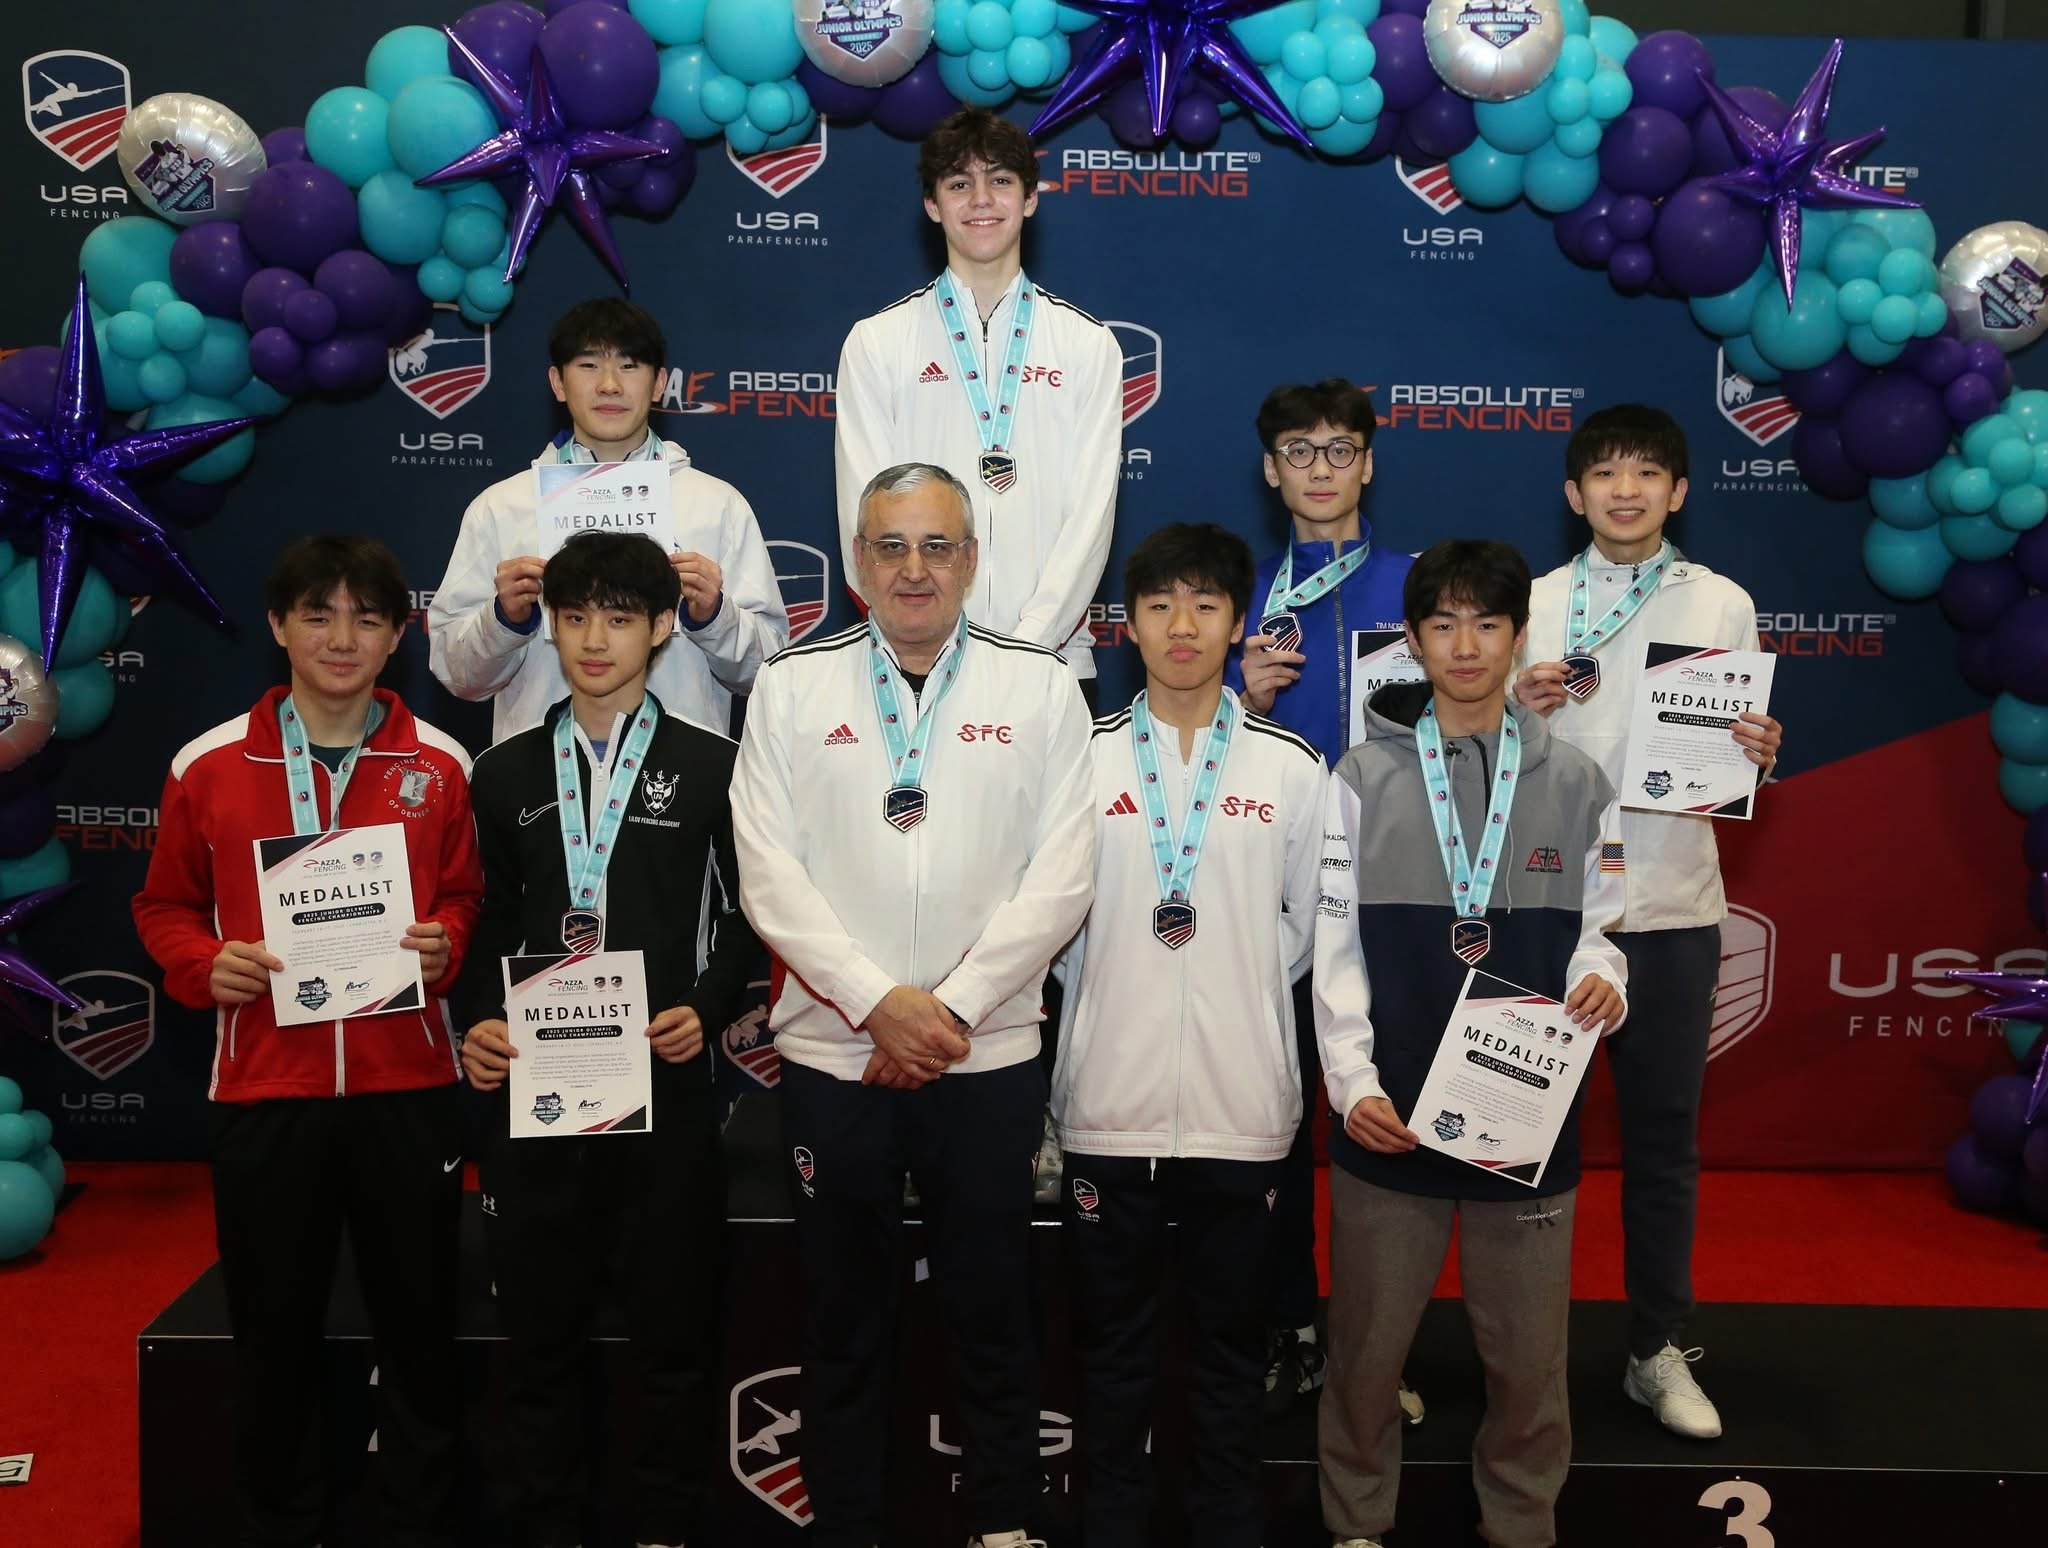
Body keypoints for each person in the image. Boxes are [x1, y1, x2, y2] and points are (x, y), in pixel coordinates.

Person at [732, 461, 1095, 1548]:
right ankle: (846, 1523)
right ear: (855, 562)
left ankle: (999, 1524)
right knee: (843, 1317)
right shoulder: (793, 685)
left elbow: (1062, 876)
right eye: (890, 546)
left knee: (992, 1310)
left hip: (981, 1061)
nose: (913, 568)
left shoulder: (1039, 688)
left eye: (937, 546)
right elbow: (767, 874)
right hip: (834, 1059)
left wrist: (950, 1012)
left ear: (972, 560)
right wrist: (875, 1003)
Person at [133, 536, 483, 1548]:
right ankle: (282, 1522)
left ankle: (416, 1523)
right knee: (273, 1334)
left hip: (405, 1086)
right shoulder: (208, 766)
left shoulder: (439, 764)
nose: (341, 637)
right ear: (280, 625)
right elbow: (164, 907)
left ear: (396, 636)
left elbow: (464, 899)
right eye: (318, 614)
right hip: (266, 1091)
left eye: (366, 618)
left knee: (418, 1329)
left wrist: (442, 946)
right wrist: (207, 965)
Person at [1316, 539, 1627, 1548]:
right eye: (1441, 624)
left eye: (1485, 623)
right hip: (1388, 1115)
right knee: (1365, 1353)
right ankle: (1357, 1521)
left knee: (1528, 1359)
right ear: (1410, 641)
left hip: (1521, 1117)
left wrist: (1603, 982)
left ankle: (1521, 1523)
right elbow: (1332, 948)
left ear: (1515, 635)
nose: (1463, 645)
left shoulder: (1578, 779)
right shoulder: (1356, 776)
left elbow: (1603, 931)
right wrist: (1350, 1080)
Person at [455, 530, 756, 1548]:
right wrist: (479, 1023)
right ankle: (550, 1520)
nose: (593, 638)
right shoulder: (500, 773)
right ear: (551, 624)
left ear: (663, 627)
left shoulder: (715, 765)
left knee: (673, 1331)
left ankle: (667, 1522)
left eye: (619, 617)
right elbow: (486, 919)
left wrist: (707, 1011)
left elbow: (755, 920)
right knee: (541, 1333)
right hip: (538, 1092)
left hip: (663, 1086)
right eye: (575, 615)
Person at [1512, 404, 1783, 1440]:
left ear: (1676, 491)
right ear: (1573, 494)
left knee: (1663, 1141)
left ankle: (1652, 1348)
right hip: (1548, 908)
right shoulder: (1530, 604)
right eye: (1603, 473)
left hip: (1670, 910)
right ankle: (1522, 1348)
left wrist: (1755, 748)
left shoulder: (1720, 603)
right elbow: (1471, 758)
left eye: (1645, 473)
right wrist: (1508, 710)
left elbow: (1733, 755)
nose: (1623, 490)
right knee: (1527, 1141)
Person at [1051, 523, 1324, 1548]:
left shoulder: (1293, 771)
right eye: (1160, 604)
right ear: (1127, 624)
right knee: (1109, 1359)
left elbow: (1300, 937)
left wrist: (1233, 1000)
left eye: (1205, 605)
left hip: (1239, 1118)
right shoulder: (1075, 765)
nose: (1181, 625)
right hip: (1106, 1115)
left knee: (1226, 1358)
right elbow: (1056, 936)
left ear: (1237, 623)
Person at [1223, 378, 1415, 1412]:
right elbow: (1185, 743)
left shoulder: (1422, 588)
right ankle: (1289, 1317)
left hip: (1405, 895)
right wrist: (1234, 694)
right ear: (1269, 469)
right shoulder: (1237, 598)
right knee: (1283, 1121)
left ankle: (1380, 1346)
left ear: (1367, 462)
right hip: (1276, 900)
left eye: (1338, 450)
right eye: (1298, 451)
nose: (1319, 469)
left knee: (1394, 1122)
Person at [833, 106, 1122, 695]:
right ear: (933, 206)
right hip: (914, 663)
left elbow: (1092, 515)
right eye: (959, 184)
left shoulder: (1088, 344)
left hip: (1054, 667)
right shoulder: (878, 341)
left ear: (1031, 199)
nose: (981, 200)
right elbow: (863, 519)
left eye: (1000, 181)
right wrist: (933, 642)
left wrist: (1029, 645)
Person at [429, 296, 788, 742]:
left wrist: (716, 615)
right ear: (557, 383)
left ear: (659, 383)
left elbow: (769, 673)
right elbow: (457, 675)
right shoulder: (501, 507)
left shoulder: (717, 505)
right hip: (539, 786)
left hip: (678, 784)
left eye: (630, 365)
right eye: (588, 366)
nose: (610, 385)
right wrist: (503, 619)